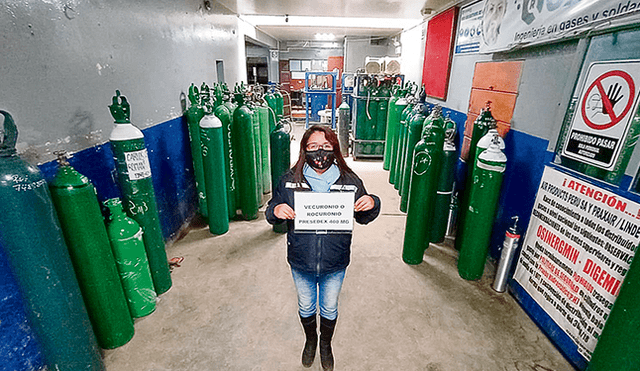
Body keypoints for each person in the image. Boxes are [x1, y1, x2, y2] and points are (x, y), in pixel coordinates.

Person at [266, 125, 381, 371]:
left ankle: (326, 344)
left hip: (334, 261)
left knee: (329, 306)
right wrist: (275, 210)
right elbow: (273, 207)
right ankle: (311, 341)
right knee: (306, 305)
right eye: (313, 147)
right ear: (304, 150)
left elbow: (364, 216)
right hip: (301, 259)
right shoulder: (289, 181)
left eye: (327, 147)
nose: (320, 152)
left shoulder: (350, 181)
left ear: (335, 150)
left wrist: (372, 202)